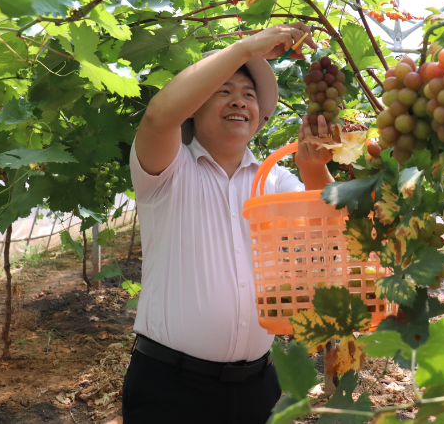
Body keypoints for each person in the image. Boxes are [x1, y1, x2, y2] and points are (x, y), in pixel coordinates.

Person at [122, 23, 335, 423]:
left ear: (259, 115)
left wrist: (313, 171)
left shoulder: (273, 178)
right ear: (195, 107)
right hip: (170, 389)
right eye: (224, 91)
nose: (239, 101)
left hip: (259, 386)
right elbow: (156, 120)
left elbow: (333, 229)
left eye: (249, 95)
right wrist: (244, 49)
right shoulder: (169, 170)